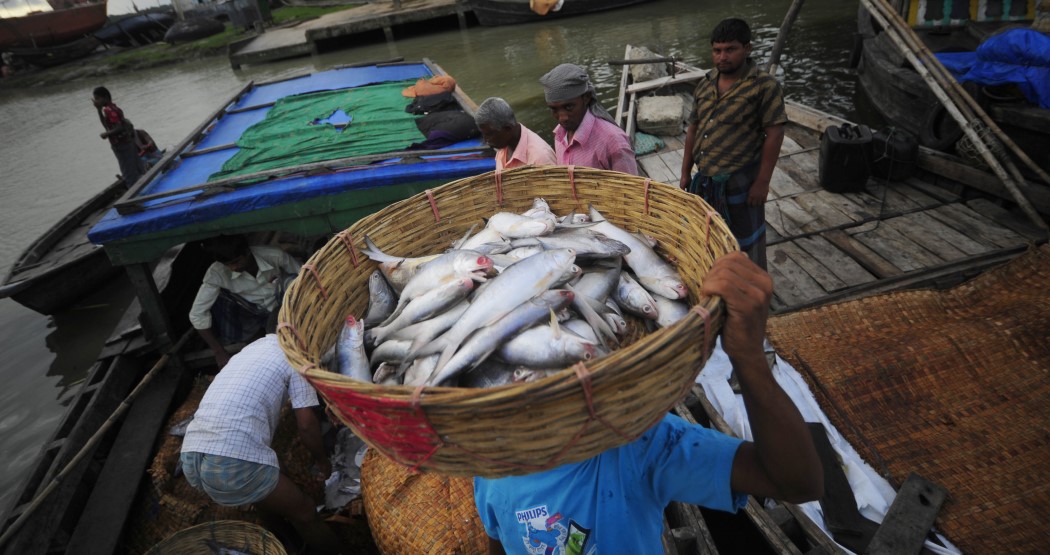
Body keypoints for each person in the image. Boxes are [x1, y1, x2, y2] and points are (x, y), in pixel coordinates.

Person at [474, 253, 822, 554]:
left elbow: (796, 482)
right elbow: (500, 539)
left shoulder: (642, 447)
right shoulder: (491, 466)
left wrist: (748, 357)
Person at [180, 335, 343, 555]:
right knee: (305, 512)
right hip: (230, 461)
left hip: (192, 451)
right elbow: (306, 424)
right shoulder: (295, 355)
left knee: (262, 488)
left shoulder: (255, 347)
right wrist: (322, 460)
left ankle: (288, 543)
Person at [679, 18, 787, 271]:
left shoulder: (763, 86)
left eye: (730, 49)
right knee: (707, 236)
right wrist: (685, 172)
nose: (722, 57)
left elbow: (775, 134)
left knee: (746, 241)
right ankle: (715, 281)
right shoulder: (705, 84)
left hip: (740, 179)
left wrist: (762, 182)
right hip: (705, 179)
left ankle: (751, 288)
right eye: (717, 50)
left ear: (747, 49)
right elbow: (694, 128)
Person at [189, 235, 302, 369]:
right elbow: (197, 314)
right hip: (250, 310)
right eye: (228, 264)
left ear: (247, 253)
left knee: (294, 281)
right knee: (221, 300)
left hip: (282, 302)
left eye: (237, 261)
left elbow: (303, 275)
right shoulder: (216, 273)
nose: (233, 268)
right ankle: (252, 338)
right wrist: (218, 351)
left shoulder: (274, 256)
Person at [539, 63, 639, 175]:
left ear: (586, 98)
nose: (562, 118)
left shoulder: (613, 142)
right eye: (554, 110)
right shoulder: (559, 135)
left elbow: (631, 190)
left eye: (569, 107)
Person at [474, 97, 557, 171]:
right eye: (483, 134)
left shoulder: (540, 157)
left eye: (489, 134)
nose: (485, 140)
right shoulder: (504, 146)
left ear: (507, 129)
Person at [92, 86, 145, 187]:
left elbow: (119, 127)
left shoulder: (108, 110)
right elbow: (107, 126)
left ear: (105, 97)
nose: (96, 101)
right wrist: (99, 110)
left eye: (97, 98)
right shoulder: (113, 108)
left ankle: (134, 197)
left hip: (121, 145)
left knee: (128, 173)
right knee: (138, 168)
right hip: (127, 142)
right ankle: (144, 187)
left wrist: (106, 134)